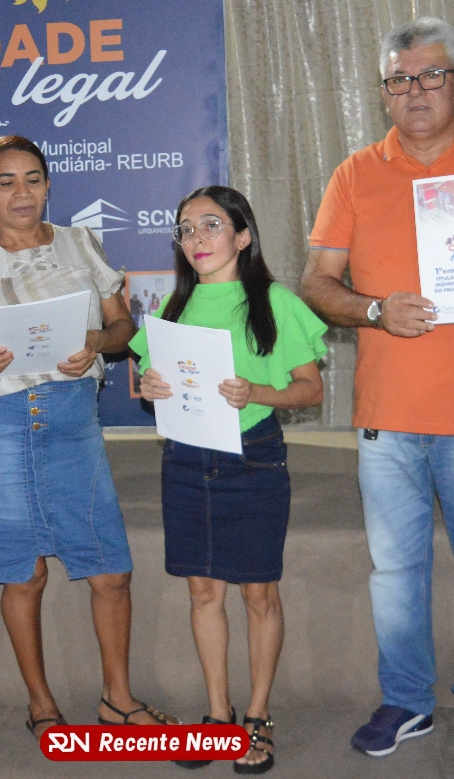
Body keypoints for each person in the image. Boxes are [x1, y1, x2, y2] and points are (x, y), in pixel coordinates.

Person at [301, 18, 454, 770]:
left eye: (431, 75)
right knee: (395, 574)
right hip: (388, 416)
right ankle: (405, 699)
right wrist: (375, 309)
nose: (416, 91)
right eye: (399, 79)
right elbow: (316, 283)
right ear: (383, 93)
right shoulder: (354, 173)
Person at [0, 135, 176, 740]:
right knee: (25, 574)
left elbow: (121, 328)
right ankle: (41, 703)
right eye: (6, 182)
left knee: (109, 572)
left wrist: (95, 343)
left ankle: (118, 700)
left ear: (47, 185)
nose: (22, 193)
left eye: (33, 179)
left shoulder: (80, 242)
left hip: (73, 422)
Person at [131, 186, 327, 774]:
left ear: (243, 236)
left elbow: (310, 389)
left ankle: (258, 715)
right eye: (186, 229)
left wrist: (257, 392)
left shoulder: (274, 302)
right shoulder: (171, 309)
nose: (196, 238)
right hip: (186, 459)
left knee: (258, 594)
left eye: (210, 225)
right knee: (202, 592)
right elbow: (152, 388)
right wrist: (149, 389)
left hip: (253, 457)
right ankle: (218, 716)